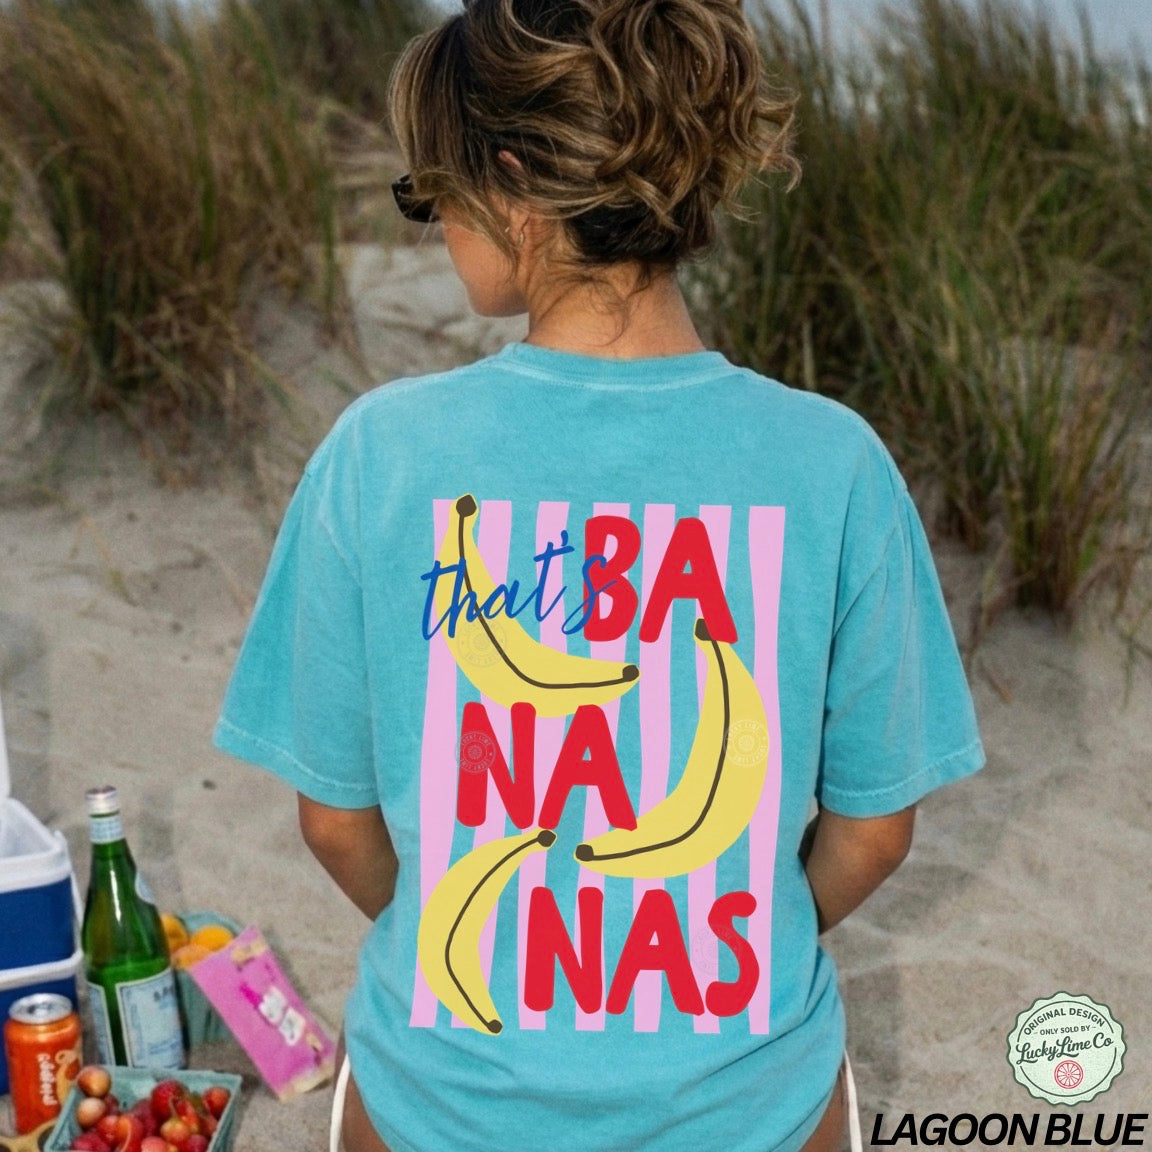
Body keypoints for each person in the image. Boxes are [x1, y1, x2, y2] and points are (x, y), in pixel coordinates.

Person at [213, 1, 985, 1149]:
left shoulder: (380, 453)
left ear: (513, 184)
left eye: (428, 191)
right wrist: (737, 944)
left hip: (447, 1103)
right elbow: (875, 832)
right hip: (744, 1103)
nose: (428, 223)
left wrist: (476, 938)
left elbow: (335, 821)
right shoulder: (835, 463)